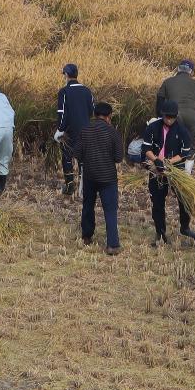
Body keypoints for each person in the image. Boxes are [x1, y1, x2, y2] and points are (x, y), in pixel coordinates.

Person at [140, 100, 195, 245]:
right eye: (167, 117)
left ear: (176, 115)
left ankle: (185, 227)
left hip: (176, 170)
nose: (169, 120)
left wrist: (168, 162)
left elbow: (184, 154)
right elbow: (146, 148)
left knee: (185, 199)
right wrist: (156, 160)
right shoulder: (153, 127)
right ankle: (160, 233)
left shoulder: (182, 130)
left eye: (172, 117)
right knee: (158, 202)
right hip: (156, 170)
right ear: (162, 115)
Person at [75, 101, 126, 252]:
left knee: (88, 205)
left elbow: (77, 153)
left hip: (90, 175)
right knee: (110, 210)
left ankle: (87, 236)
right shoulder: (113, 132)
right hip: (108, 177)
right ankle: (112, 244)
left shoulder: (85, 130)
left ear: (94, 115)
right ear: (109, 116)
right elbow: (118, 157)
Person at [54, 63, 94, 196]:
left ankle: (70, 186)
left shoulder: (64, 91)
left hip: (71, 132)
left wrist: (60, 130)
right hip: (86, 130)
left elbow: (62, 113)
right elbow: (91, 111)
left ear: (66, 75)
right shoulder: (87, 91)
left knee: (67, 157)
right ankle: (84, 189)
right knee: (83, 160)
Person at [156, 61, 195, 141]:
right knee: (188, 145)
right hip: (191, 117)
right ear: (191, 72)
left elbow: (160, 99)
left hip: (173, 115)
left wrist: (160, 116)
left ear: (178, 69)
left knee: (172, 143)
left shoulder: (168, 81)